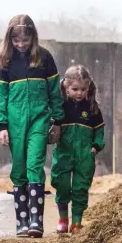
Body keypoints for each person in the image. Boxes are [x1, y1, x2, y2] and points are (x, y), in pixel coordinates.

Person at [0, 14, 64, 238]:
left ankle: (36, 221)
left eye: (25, 39)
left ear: (33, 37)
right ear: (9, 38)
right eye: (16, 40)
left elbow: (54, 92)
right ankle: (21, 221)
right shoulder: (5, 61)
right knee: (19, 167)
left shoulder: (44, 57)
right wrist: (2, 125)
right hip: (14, 122)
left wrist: (58, 121)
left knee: (35, 164)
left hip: (39, 120)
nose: (21, 44)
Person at [51, 65, 105, 234]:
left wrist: (96, 146)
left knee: (81, 187)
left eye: (83, 89)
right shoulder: (59, 106)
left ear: (88, 88)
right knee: (62, 184)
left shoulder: (92, 108)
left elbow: (100, 131)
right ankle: (63, 219)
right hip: (63, 153)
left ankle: (76, 222)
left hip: (84, 154)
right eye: (75, 89)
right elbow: (51, 127)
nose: (79, 93)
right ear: (65, 87)